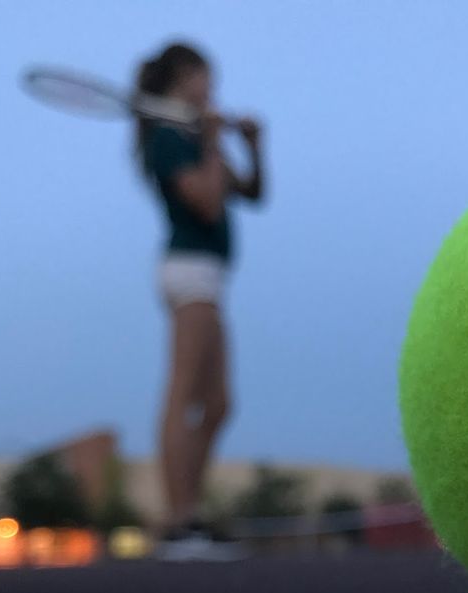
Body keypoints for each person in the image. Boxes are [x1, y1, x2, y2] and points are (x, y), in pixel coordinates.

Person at [135, 42, 264, 560]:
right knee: (184, 393)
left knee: (217, 403)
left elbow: (251, 193)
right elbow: (208, 204)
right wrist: (212, 141)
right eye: (204, 76)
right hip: (188, 271)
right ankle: (178, 523)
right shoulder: (169, 137)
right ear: (181, 79)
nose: (212, 87)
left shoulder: (193, 135)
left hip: (209, 277)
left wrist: (254, 145)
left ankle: (187, 513)